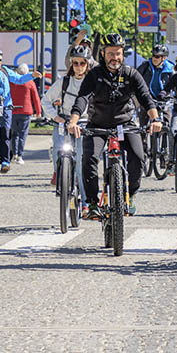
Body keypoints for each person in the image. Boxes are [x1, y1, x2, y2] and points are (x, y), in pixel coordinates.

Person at [67, 33, 162, 217]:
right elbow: (82, 98)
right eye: (111, 53)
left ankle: (131, 194)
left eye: (118, 53)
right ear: (103, 54)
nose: (114, 58)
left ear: (122, 54)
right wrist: (73, 121)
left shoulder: (130, 73)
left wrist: (155, 119)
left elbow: (145, 98)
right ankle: (93, 203)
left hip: (124, 125)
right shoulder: (94, 74)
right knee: (90, 158)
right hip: (98, 126)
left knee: (138, 156)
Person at [44, 44, 94, 211]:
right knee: (60, 150)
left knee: (81, 163)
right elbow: (45, 101)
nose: (79, 67)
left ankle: (86, 202)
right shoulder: (64, 82)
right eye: (75, 63)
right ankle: (60, 174)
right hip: (64, 122)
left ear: (88, 64)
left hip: (85, 123)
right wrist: (56, 117)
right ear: (71, 64)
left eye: (82, 63)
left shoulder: (92, 82)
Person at [0, 48, 36, 173]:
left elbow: (19, 79)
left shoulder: (5, 71)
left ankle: (5, 161)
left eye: (0, 60)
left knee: (6, 133)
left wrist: (31, 75)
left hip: (6, 106)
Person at [137, 43, 175, 167]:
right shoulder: (145, 66)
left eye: (158, 56)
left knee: (166, 125)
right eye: (153, 55)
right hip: (147, 99)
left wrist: (171, 96)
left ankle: (164, 152)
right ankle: (143, 149)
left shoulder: (171, 69)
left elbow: (176, 83)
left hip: (165, 100)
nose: (154, 58)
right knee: (142, 126)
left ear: (164, 58)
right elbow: (136, 80)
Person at [9, 64, 42, 164]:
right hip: (26, 111)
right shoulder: (30, 83)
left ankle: (14, 154)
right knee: (22, 134)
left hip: (13, 110)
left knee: (14, 134)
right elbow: (36, 98)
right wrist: (39, 112)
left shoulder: (12, 82)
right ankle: (19, 156)